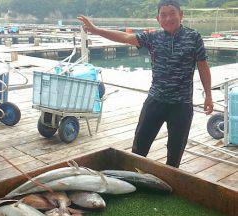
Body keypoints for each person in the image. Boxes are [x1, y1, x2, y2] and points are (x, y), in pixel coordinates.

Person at [78, 0, 214, 168]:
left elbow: (202, 65)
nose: (168, 18)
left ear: (181, 15)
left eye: (172, 13)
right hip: (155, 101)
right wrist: (96, 30)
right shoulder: (153, 37)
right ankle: (134, 180)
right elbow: (126, 37)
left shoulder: (193, 37)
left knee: (175, 153)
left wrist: (208, 95)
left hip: (182, 105)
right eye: (163, 15)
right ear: (158, 19)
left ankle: (170, 185)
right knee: (139, 148)